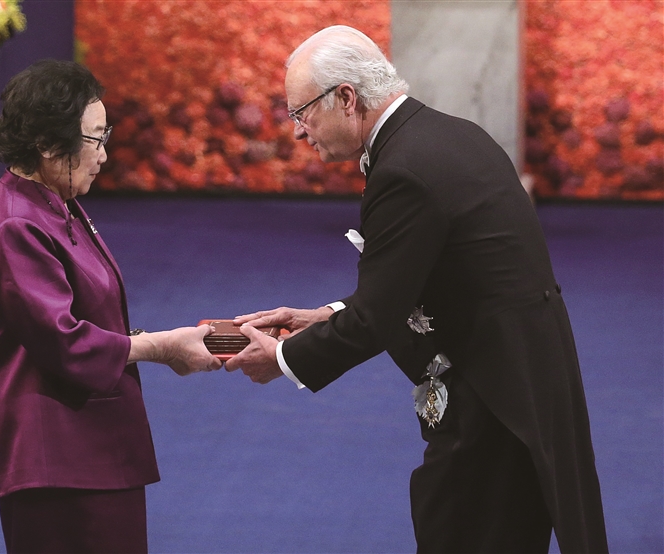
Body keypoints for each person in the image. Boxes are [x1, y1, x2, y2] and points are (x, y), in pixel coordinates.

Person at [226, 26, 608, 553]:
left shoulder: (403, 170)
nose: (297, 132)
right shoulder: (450, 134)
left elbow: (374, 319)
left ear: (346, 98)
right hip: (522, 381)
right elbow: (422, 278)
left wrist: (283, 358)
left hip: (489, 402)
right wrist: (325, 316)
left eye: (301, 113)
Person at [0, 59, 222, 553]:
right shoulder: (17, 224)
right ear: (47, 143)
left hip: (92, 447)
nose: (104, 153)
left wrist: (151, 344)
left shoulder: (53, 200)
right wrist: (162, 347)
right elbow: (64, 342)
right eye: (95, 138)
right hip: (57, 461)